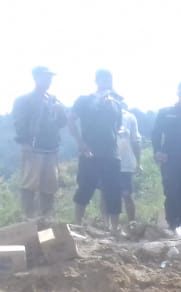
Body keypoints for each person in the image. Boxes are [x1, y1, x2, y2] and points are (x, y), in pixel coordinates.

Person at [68, 70, 123, 231]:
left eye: (109, 79)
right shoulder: (84, 100)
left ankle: (114, 229)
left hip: (111, 154)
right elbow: (70, 119)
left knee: (113, 191)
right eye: (103, 79)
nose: (106, 82)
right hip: (89, 152)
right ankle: (77, 225)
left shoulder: (116, 104)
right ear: (96, 81)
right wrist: (80, 142)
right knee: (85, 188)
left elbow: (118, 126)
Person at [11, 66, 66, 221]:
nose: (48, 80)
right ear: (36, 78)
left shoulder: (54, 100)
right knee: (29, 183)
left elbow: (62, 123)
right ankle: (29, 217)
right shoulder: (25, 99)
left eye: (50, 78)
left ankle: (46, 217)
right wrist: (25, 143)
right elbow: (19, 123)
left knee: (50, 184)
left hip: (51, 148)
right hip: (33, 147)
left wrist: (60, 111)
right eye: (45, 77)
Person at [152, 82, 181, 234]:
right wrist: (157, 150)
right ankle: (173, 223)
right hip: (169, 157)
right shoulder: (165, 112)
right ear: (178, 93)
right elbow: (156, 133)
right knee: (171, 190)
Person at [115, 106, 142, 224]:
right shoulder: (102, 115)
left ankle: (132, 222)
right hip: (107, 161)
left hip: (125, 162)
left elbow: (136, 141)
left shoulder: (130, 117)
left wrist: (138, 162)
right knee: (106, 194)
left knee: (127, 194)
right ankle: (109, 225)